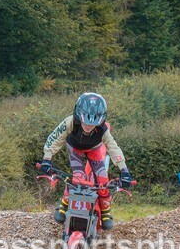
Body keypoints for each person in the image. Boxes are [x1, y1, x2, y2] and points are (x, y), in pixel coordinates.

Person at [39, 92, 132, 231]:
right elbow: (55, 139)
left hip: (94, 149)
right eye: (86, 122)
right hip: (75, 149)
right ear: (78, 116)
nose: (88, 126)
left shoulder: (103, 130)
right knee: (78, 178)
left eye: (93, 124)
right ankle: (64, 205)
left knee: (103, 180)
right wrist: (47, 159)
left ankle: (106, 213)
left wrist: (124, 170)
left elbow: (113, 148)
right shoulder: (70, 122)